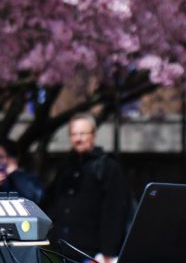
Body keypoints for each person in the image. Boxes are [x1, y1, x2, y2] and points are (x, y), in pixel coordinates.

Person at [43, 113, 132, 263]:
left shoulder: (108, 166)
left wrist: (108, 252)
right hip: (63, 251)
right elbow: (51, 202)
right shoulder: (66, 166)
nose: (78, 139)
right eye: (74, 134)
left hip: (94, 255)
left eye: (83, 133)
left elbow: (115, 211)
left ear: (93, 135)